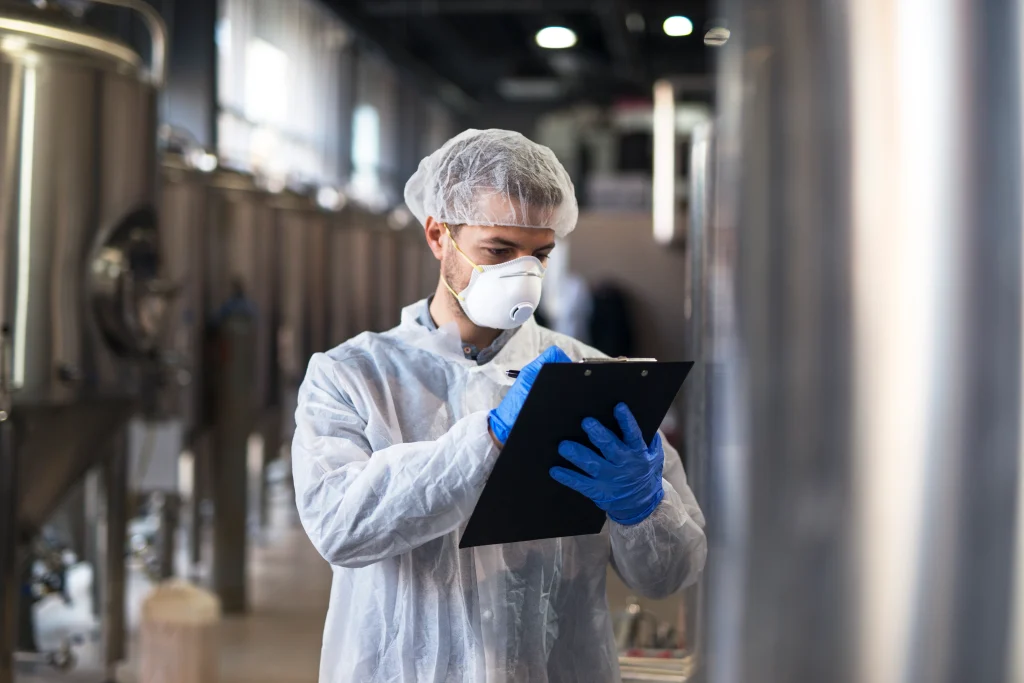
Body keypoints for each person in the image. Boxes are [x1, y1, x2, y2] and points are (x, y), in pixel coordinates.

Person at [292, 129, 707, 682]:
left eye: (540, 255)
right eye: (499, 251)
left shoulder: (594, 378)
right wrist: (490, 435)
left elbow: (669, 576)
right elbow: (341, 528)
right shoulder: (353, 375)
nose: (524, 273)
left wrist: (645, 508)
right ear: (439, 235)